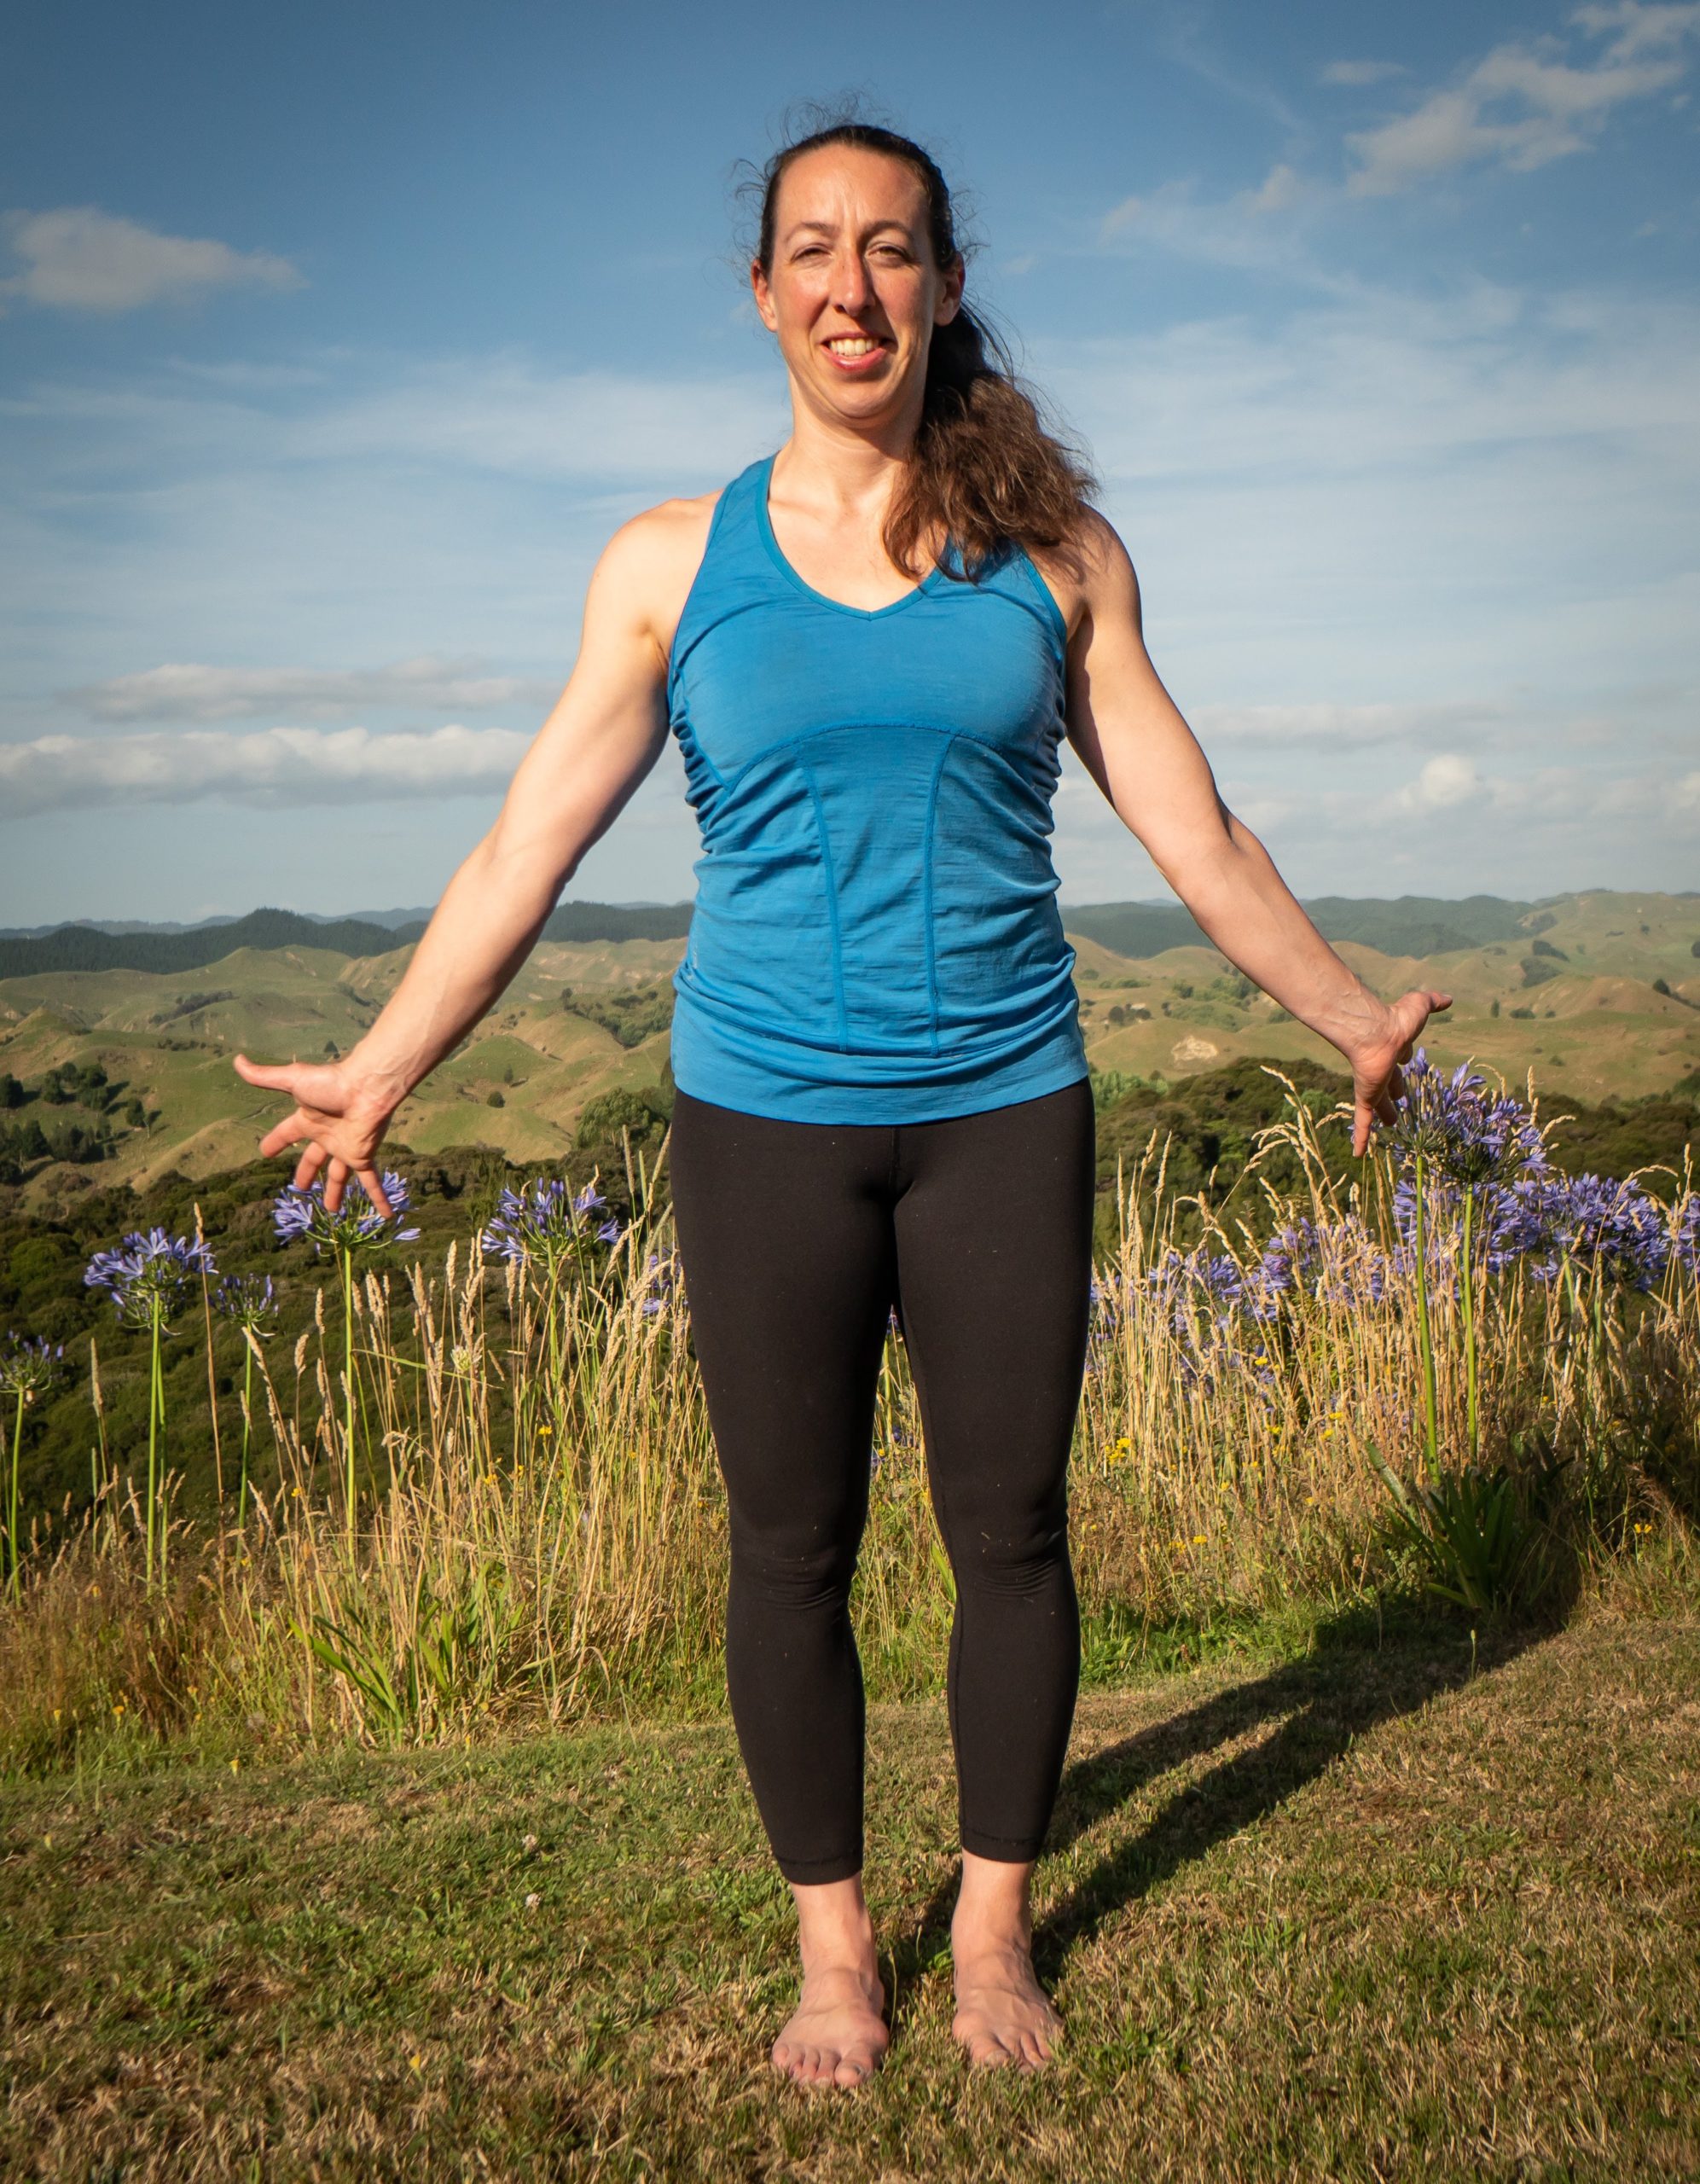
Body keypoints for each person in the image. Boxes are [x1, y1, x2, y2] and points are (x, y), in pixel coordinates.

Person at [234, 119, 1450, 2090]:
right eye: (812, 248)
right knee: (788, 1546)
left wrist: (1344, 1021)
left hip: (1003, 1104)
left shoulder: (1057, 554)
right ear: (761, 292)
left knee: (1013, 1529)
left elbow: (1188, 817)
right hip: (763, 1117)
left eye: (891, 250)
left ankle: (985, 1924)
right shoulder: (665, 562)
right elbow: (523, 845)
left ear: (946, 283)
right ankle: (831, 1954)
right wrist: (382, 1066)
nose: (851, 285)